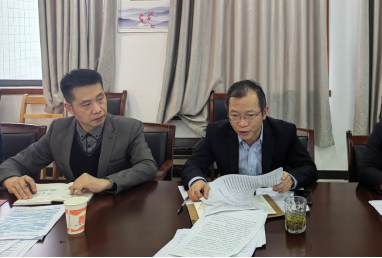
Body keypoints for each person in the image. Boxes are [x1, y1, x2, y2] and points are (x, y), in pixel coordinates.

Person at [0, 69, 158, 200]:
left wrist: (107, 182)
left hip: (118, 206)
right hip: (75, 208)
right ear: (70, 108)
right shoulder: (58, 130)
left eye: (100, 98)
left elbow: (148, 166)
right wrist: (10, 179)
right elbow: (13, 164)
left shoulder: (129, 128)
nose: (98, 109)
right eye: (86, 104)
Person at [182, 80, 318, 202]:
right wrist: (197, 180)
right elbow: (192, 165)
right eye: (234, 115)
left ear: (264, 112)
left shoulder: (284, 132)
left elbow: (309, 168)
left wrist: (291, 180)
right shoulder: (217, 132)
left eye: (250, 115)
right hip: (233, 203)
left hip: (272, 202)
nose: (242, 124)